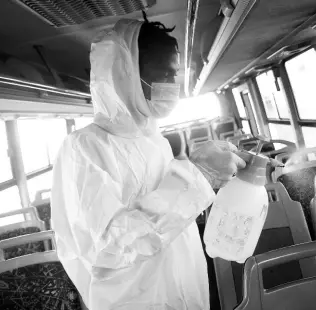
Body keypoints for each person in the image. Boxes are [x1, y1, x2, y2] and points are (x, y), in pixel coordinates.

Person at [51, 14, 246, 310]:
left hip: (183, 289)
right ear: (124, 74)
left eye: (174, 75)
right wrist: (198, 177)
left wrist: (208, 180)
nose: (172, 85)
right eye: (164, 75)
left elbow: (170, 218)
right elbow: (111, 246)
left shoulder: (155, 141)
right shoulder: (83, 149)